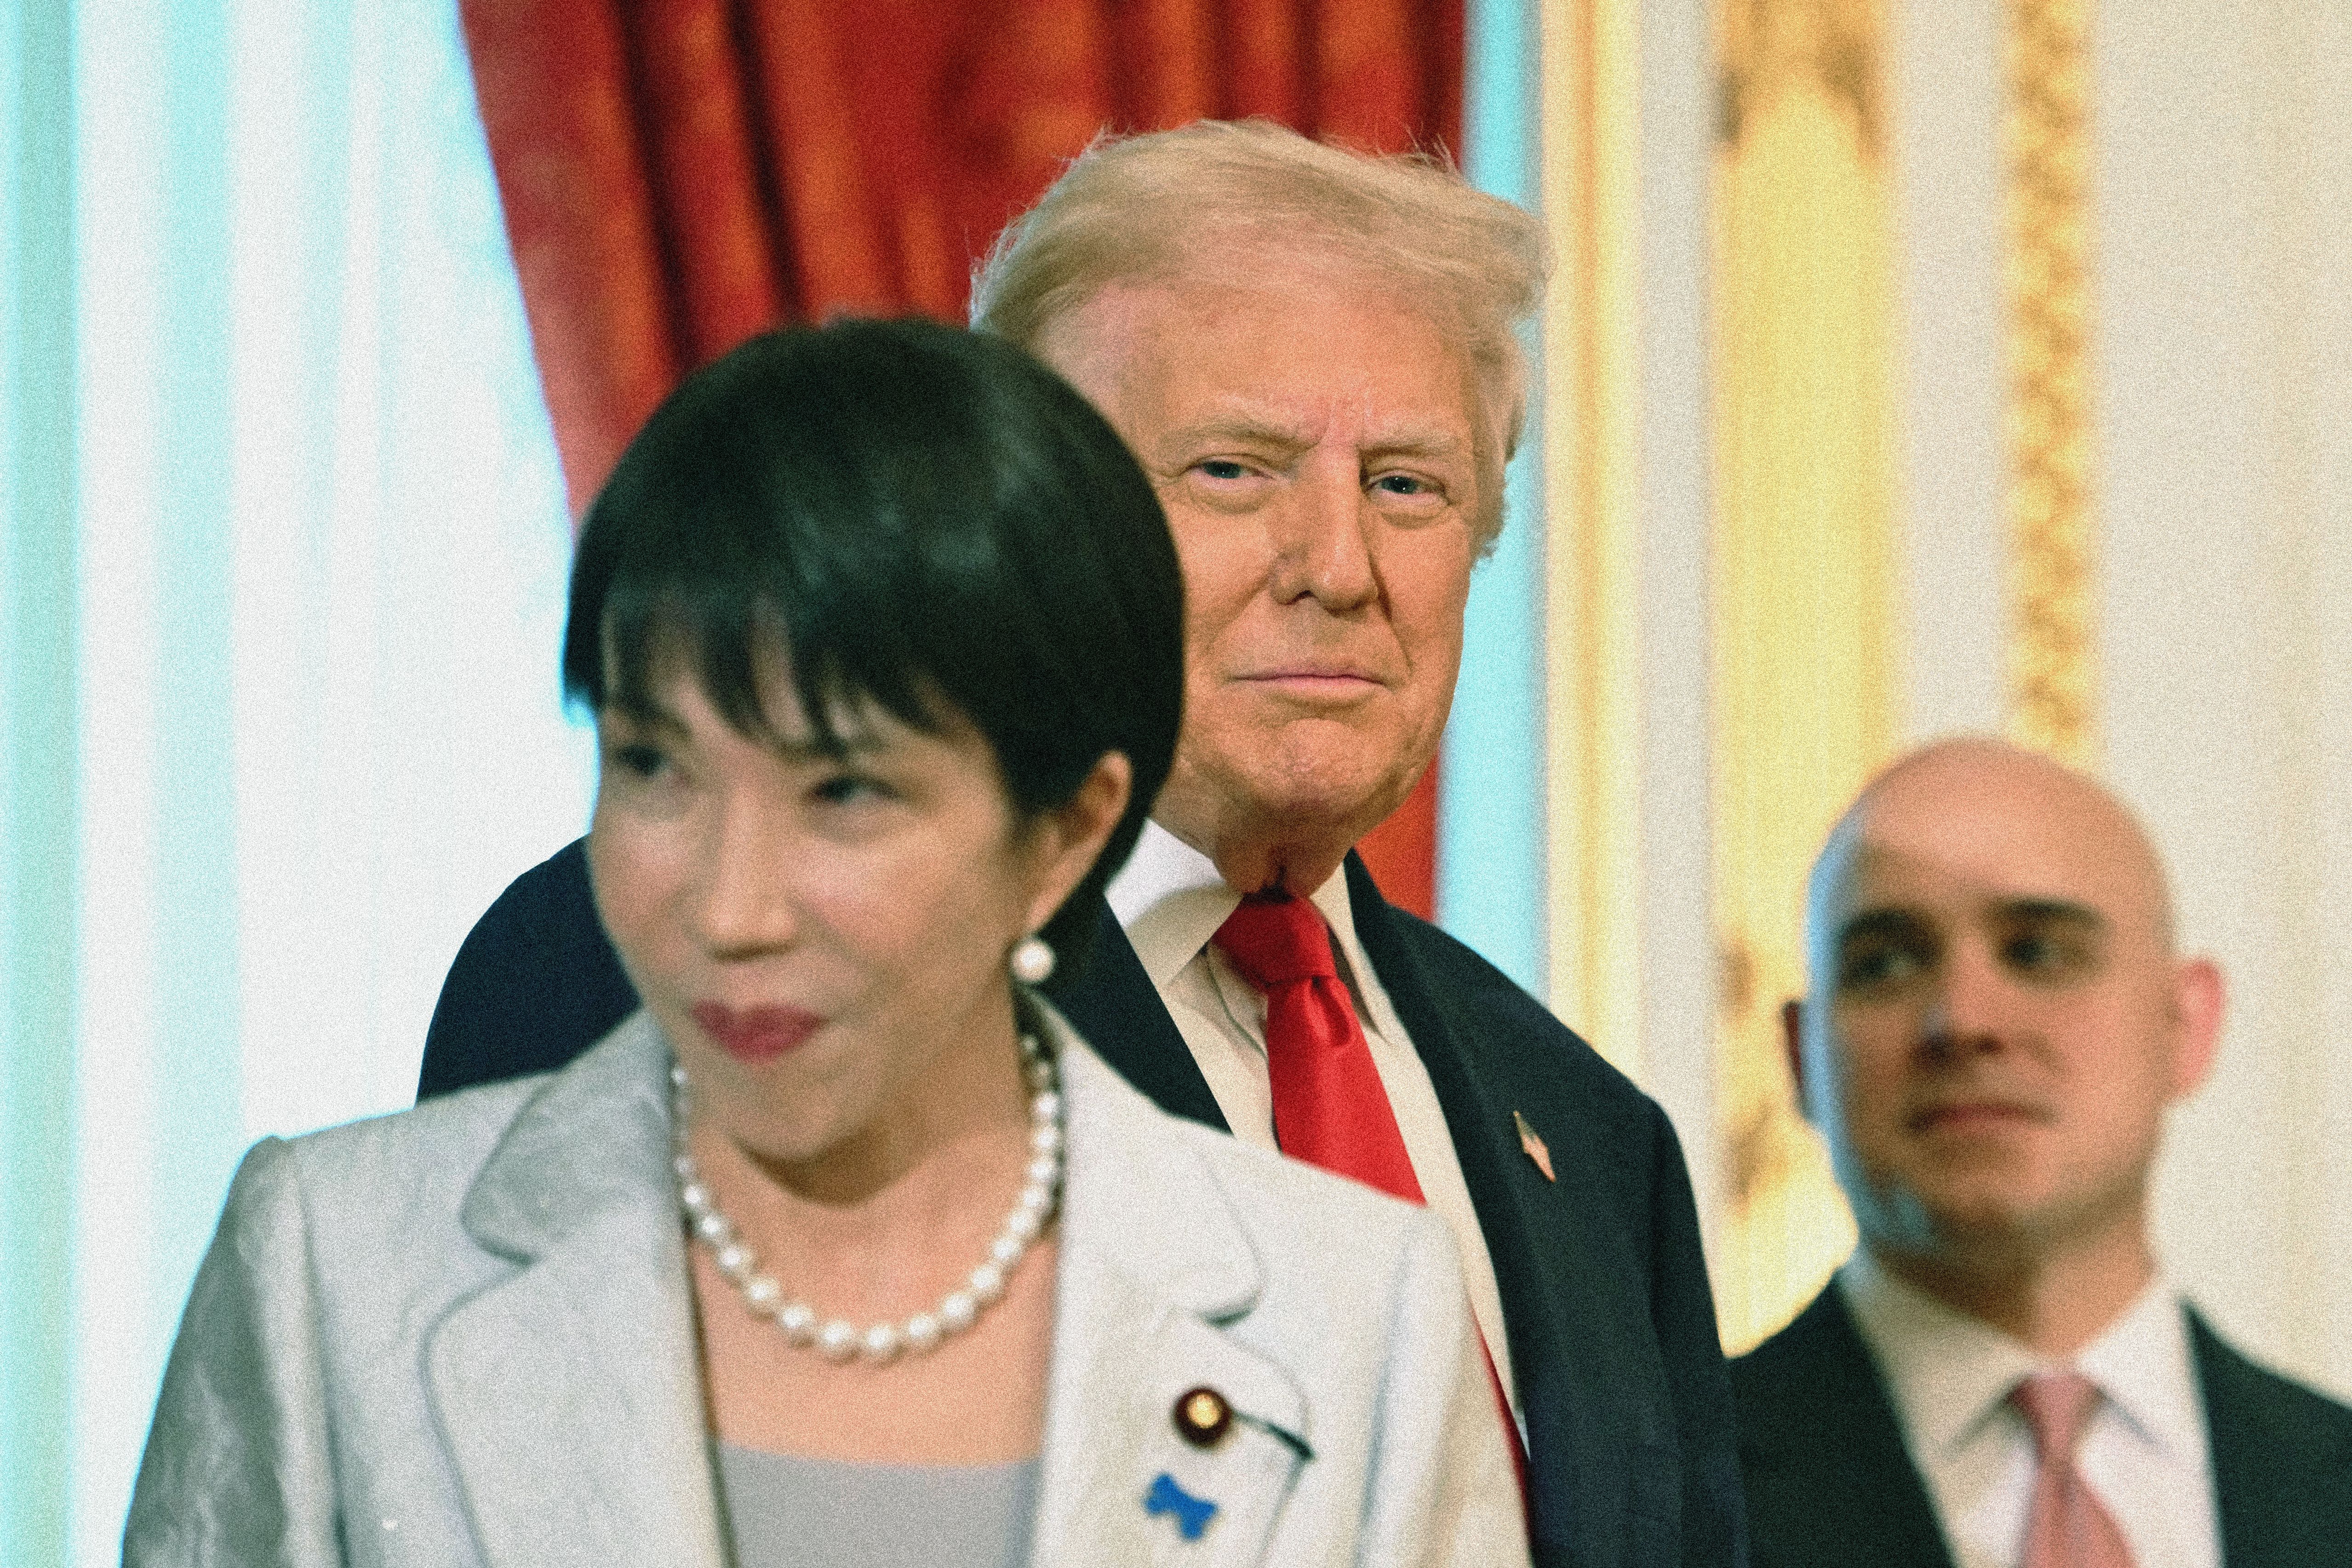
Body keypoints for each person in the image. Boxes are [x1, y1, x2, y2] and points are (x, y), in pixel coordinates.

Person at [418, 121, 1745, 1568]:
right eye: (1236, 470)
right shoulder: (686, 967)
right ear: (1039, 526)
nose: (1340, 567)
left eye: (1407, 486)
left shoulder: (1594, 1139)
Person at [126, 319, 1527, 1566]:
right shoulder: (338, 1270)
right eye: (655, 767)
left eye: (843, 792)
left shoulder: (1351, 1324)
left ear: (1060, 833)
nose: (732, 909)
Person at [1734, 737, 2352, 1568]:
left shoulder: (2328, 1482)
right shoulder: (1661, 1491)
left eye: (2037, 950)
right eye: (1884, 962)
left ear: (2186, 1024)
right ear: (1802, 1054)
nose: (1962, 1019)